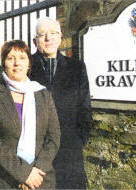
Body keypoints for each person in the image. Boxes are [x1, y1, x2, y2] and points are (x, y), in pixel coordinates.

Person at [0, 40, 60, 189]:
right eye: (10, 58)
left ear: (29, 63)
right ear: (3, 63)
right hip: (1, 180)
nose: (17, 63)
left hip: (40, 180)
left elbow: (53, 138)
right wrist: (24, 173)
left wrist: (36, 173)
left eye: (22, 58)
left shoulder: (43, 94)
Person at [30, 17, 93, 189]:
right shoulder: (25, 67)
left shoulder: (77, 67)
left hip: (69, 150)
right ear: (35, 41)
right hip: (36, 153)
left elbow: (85, 107)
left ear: (60, 37)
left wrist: (79, 139)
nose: (48, 38)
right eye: (42, 34)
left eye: (53, 33)